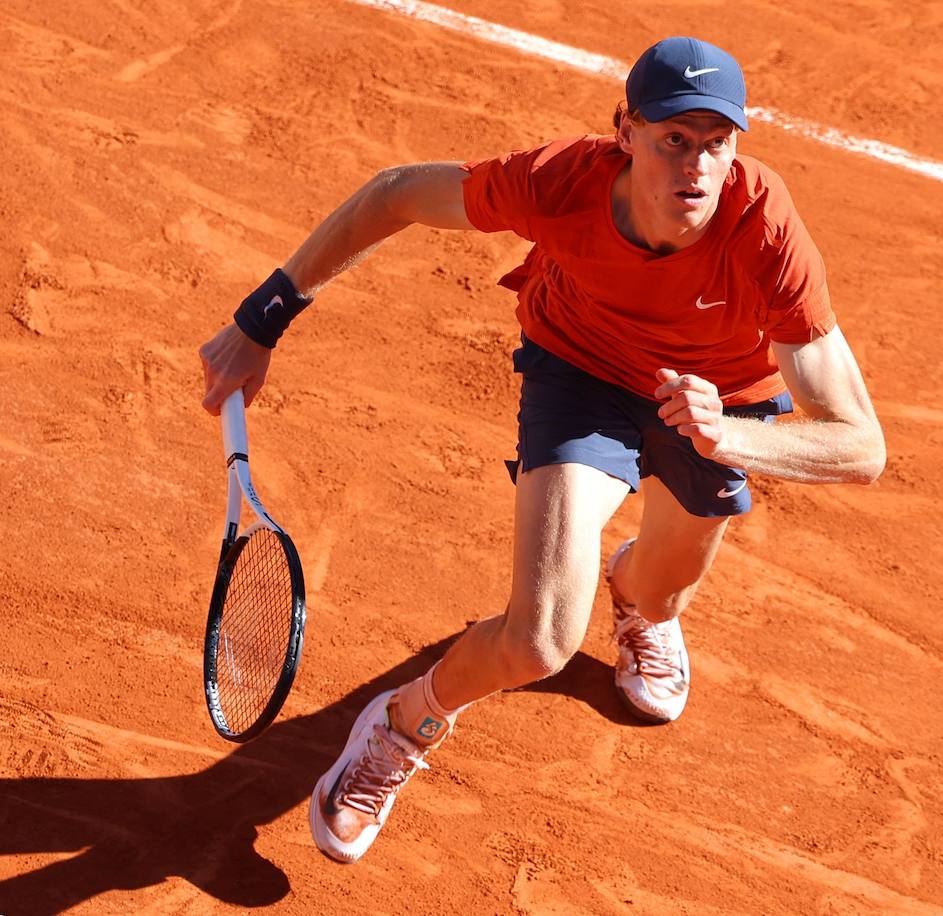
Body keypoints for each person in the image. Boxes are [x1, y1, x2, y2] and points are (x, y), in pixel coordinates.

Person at [198, 35, 885, 863]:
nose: (695, 167)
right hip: (583, 373)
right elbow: (397, 195)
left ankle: (637, 595)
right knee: (539, 641)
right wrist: (263, 317)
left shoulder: (767, 229)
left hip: (716, 404)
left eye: (716, 143)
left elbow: (860, 444)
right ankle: (401, 723)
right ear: (625, 131)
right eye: (673, 139)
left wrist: (723, 432)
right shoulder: (563, 183)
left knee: (663, 591)